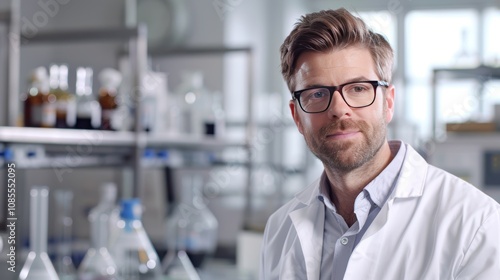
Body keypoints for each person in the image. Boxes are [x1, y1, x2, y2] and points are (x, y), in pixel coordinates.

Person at [259, 8, 500, 280]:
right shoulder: (279, 230)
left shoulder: (476, 223)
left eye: (359, 88)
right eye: (317, 93)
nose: (339, 110)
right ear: (297, 117)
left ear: (388, 103)